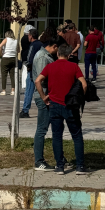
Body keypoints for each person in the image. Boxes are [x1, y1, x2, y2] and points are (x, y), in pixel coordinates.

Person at [35, 44, 88, 175]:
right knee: (76, 135)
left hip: (54, 105)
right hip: (70, 105)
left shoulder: (50, 66)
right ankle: (80, 166)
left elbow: (37, 81)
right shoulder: (74, 66)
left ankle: (59, 166)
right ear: (69, 55)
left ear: (58, 53)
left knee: (57, 136)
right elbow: (84, 84)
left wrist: (43, 97)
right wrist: (79, 98)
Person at [32, 38, 58, 171]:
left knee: (53, 127)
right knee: (42, 129)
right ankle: (39, 161)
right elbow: (40, 80)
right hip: (44, 97)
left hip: (47, 96)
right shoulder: (43, 57)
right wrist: (44, 97)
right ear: (53, 46)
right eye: (57, 49)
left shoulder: (45, 55)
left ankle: (60, 158)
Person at [20, 28, 42, 118]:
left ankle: (25, 110)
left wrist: (28, 65)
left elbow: (30, 57)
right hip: (40, 69)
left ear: (31, 36)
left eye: (28, 35)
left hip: (32, 70)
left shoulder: (33, 45)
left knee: (29, 90)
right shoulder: (41, 44)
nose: (27, 37)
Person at [0, 29, 18, 96]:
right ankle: (13, 90)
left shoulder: (6, 39)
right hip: (13, 58)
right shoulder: (16, 41)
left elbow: (0, 46)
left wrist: (1, 53)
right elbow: (18, 50)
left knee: (4, 75)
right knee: (12, 75)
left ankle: (4, 90)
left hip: (6, 58)